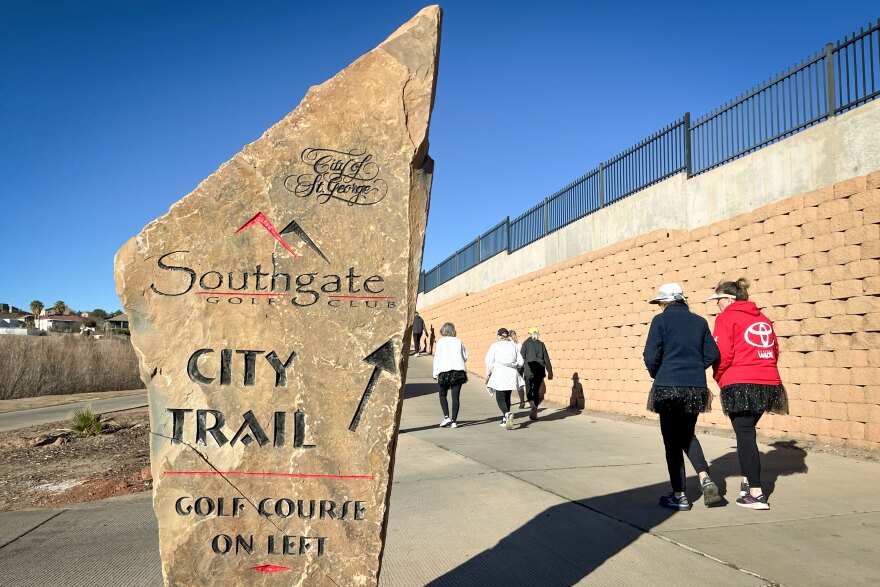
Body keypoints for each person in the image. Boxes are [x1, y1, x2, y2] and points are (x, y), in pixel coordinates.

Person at [709, 277, 788, 510]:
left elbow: (722, 353)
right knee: (747, 433)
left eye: (718, 300)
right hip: (769, 383)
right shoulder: (763, 318)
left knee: (745, 435)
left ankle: (756, 493)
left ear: (728, 299)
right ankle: (747, 481)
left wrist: (720, 377)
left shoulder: (726, 318)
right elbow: (774, 350)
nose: (717, 305)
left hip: (740, 382)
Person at [643, 283, 721, 510]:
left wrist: (658, 372)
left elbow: (650, 355)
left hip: (668, 384)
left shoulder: (661, 321)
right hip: (695, 387)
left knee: (671, 442)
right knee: (687, 434)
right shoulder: (699, 321)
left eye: (660, 303)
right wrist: (696, 369)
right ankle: (705, 478)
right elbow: (713, 353)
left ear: (665, 302)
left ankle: (679, 495)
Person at [485, 328, 523, 430]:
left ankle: (507, 413)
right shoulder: (513, 345)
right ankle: (505, 418)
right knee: (507, 395)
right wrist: (514, 366)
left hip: (499, 372)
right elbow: (521, 361)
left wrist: (488, 373)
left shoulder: (495, 345)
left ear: (498, 336)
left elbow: (488, 360)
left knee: (500, 396)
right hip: (511, 372)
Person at [432, 322, 468, 429]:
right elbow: (465, 356)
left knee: (442, 395)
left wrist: (435, 373)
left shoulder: (441, 342)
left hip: (444, 371)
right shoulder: (458, 341)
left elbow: (437, 358)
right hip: (458, 371)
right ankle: (454, 421)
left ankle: (446, 416)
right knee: (455, 397)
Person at [520, 327, 553, 421]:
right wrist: (550, 372)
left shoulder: (525, 344)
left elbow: (521, 359)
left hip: (528, 371)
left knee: (529, 391)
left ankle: (532, 405)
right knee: (536, 391)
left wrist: (519, 372)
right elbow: (546, 358)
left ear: (529, 334)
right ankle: (535, 409)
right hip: (539, 371)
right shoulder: (541, 344)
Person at [509, 329, 527, 409]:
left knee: (509, 383)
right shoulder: (519, 344)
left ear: (509, 336)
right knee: (519, 383)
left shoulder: (509, 344)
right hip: (521, 365)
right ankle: (522, 402)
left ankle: (508, 401)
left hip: (513, 365)